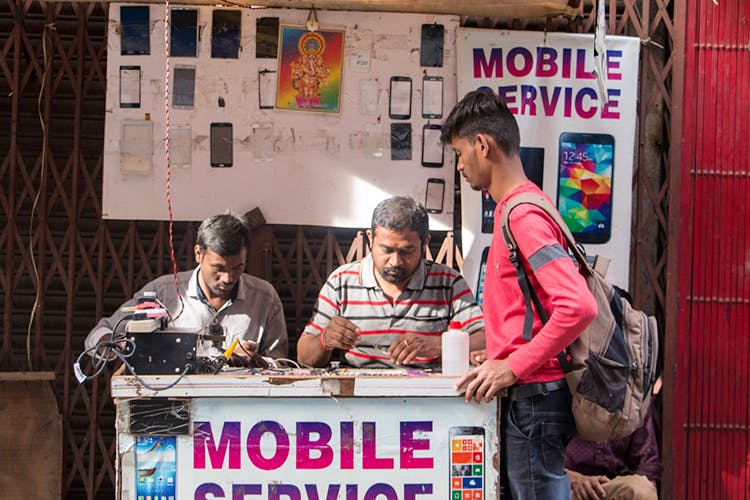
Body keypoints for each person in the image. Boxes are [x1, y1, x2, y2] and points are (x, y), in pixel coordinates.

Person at [444, 90, 597, 499]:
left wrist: (512, 366)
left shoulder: (523, 214)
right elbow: (536, 312)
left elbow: (579, 305)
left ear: (482, 145)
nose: (459, 165)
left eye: (460, 153)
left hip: (535, 398)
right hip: (533, 397)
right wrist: (499, 353)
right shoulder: (525, 208)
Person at [297, 196, 485, 369]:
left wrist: (438, 345)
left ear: (425, 242)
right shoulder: (341, 282)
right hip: (355, 397)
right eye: (386, 250)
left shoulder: (448, 283)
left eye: (407, 251)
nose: (395, 262)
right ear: (370, 238)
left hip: (427, 397)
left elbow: (486, 340)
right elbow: (304, 357)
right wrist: (325, 340)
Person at [84, 212, 288, 364]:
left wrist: (254, 360)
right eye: (218, 268)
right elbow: (97, 336)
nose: (228, 278)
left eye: (238, 267)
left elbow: (282, 365)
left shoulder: (265, 298)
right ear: (198, 254)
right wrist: (123, 345)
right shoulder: (163, 293)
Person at [565, 407, 662, 500]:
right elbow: (549, 468)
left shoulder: (635, 400)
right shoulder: (557, 397)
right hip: (567, 489)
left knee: (642, 490)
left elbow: (648, 469)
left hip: (614, 488)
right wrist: (576, 480)